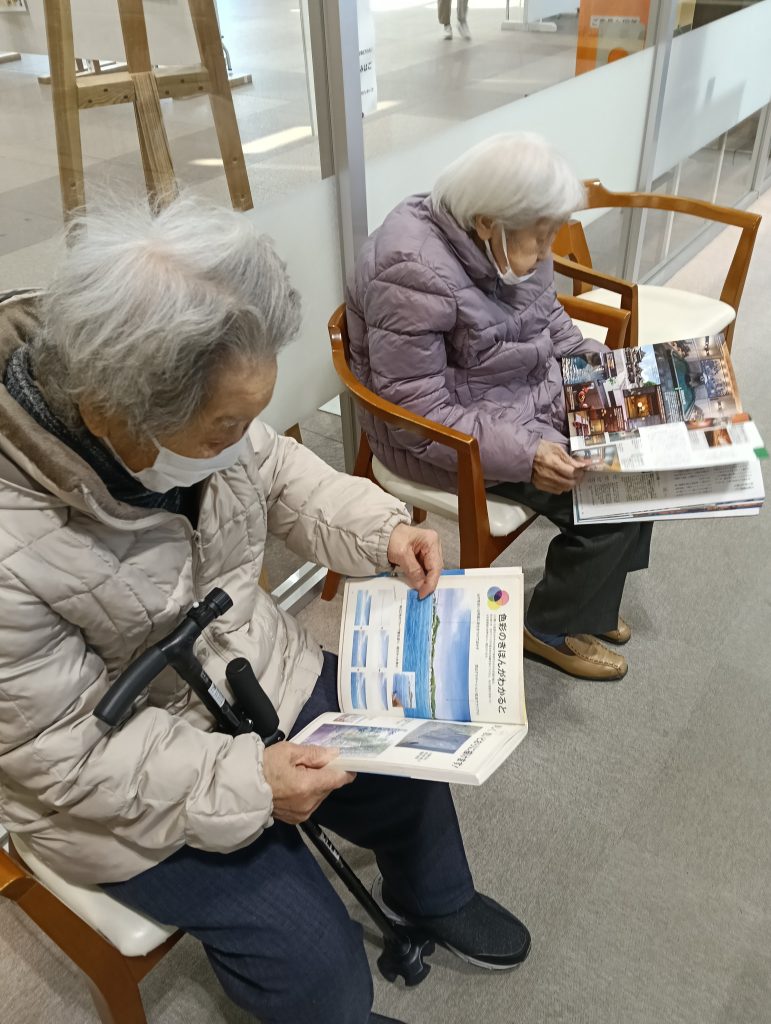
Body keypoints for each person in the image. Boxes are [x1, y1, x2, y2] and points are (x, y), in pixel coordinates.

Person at [0, 196, 531, 1024]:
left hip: (250, 668)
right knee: (315, 966)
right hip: (113, 782)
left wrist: (380, 530)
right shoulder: (14, 547)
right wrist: (245, 781)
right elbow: (55, 754)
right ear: (112, 409)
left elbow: (276, 470)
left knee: (409, 747)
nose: (244, 436)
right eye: (225, 426)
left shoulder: (188, 415)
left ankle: (434, 894)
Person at [347, 133, 653, 682]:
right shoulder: (409, 270)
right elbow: (417, 412)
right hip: (449, 437)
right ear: (488, 222)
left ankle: (592, 596)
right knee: (611, 497)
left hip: (511, 400)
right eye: (540, 238)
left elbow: (552, 324)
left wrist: (611, 376)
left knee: (644, 457)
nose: (547, 251)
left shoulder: (508, 246)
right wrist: (528, 452)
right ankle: (550, 627)